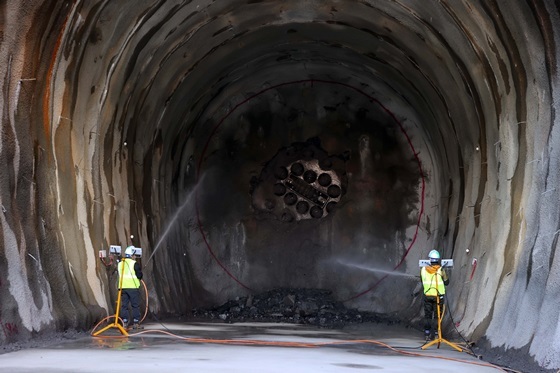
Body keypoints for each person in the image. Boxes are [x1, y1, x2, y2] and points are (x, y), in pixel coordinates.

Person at [420, 249, 449, 341]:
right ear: (438, 259)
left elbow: (422, 281)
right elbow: (447, 282)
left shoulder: (423, 269)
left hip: (428, 295)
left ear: (430, 259)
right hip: (438, 296)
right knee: (438, 316)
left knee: (428, 315)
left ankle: (427, 334)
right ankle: (436, 334)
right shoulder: (441, 270)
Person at [118, 245, 143, 329]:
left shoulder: (120, 263)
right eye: (134, 254)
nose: (135, 256)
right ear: (132, 255)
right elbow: (139, 275)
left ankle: (124, 322)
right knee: (135, 305)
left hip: (123, 288)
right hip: (132, 287)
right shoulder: (134, 263)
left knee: (124, 306)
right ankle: (136, 323)